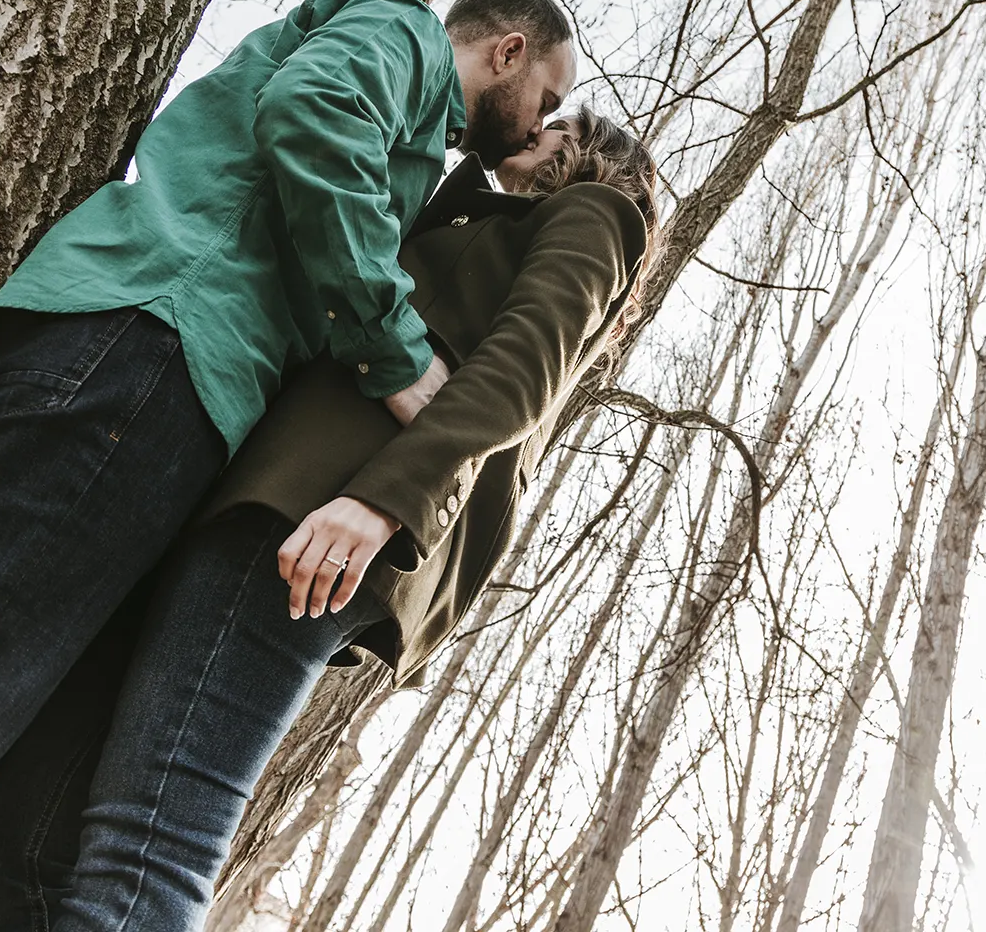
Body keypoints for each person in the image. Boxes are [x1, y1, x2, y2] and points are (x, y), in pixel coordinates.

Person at [0, 0, 576, 929]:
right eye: (548, 100)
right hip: (155, 347)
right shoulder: (402, 33)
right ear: (510, 52)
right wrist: (393, 350)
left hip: (164, 383)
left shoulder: (423, 151)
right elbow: (314, 113)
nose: (539, 126)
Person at [50, 105, 655, 932]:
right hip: (284, 504)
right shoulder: (485, 213)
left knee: (152, 839)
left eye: (553, 125)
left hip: (320, 513)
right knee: (38, 838)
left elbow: (524, 367)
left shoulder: (597, 214)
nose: (533, 131)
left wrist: (383, 501)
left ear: (585, 154)